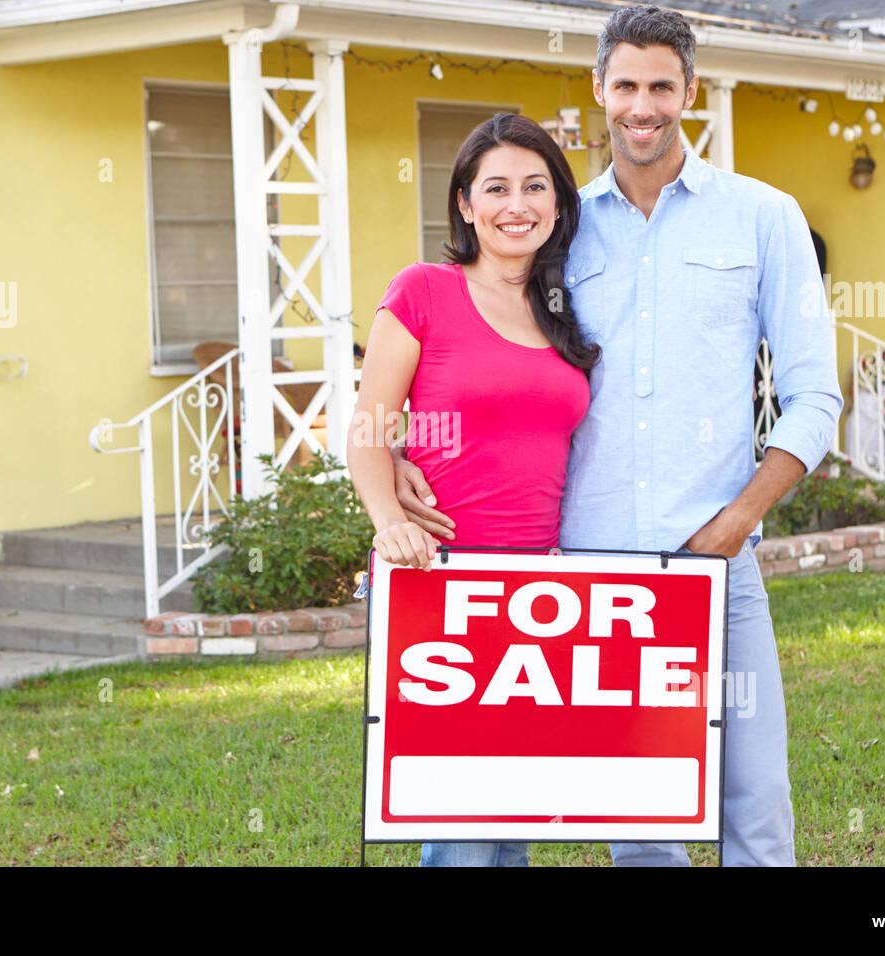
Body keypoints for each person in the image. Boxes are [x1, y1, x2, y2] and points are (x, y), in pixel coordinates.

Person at [391, 5, 843, 866]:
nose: (644, 106)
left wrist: (739, 520)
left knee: (756, 811)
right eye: (626, 85)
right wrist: (405, 450)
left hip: (717, 561)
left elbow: (814, 396)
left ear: (690, 91)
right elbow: (467, 337)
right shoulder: (554, 224)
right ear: (599, 89)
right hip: (592, 577)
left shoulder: (762, 217)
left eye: (661, 86)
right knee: (641, 828)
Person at [344, 112, 600, 866]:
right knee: (461, 819)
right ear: (464, 202)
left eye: (534, 186)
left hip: (542, 591)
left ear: (557, 204)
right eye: (495, 188)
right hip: (441, 583)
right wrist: (390, 516)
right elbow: (368, 429)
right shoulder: (424, 291)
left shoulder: (564, 310)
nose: (515, 204)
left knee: (510, 809)